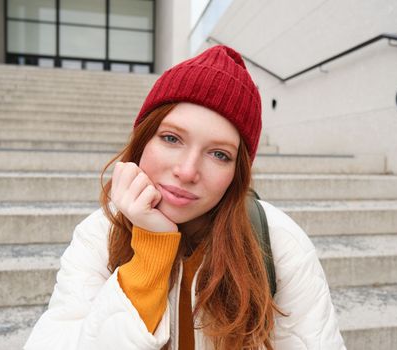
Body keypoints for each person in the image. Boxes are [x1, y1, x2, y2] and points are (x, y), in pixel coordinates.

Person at [24, 45, 346, 350]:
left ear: (238, 172)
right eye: (171, 138)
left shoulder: (279, 243)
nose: (188, 171)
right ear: (143, 140)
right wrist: (150, 253)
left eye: (219, 154)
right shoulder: (98, 235)